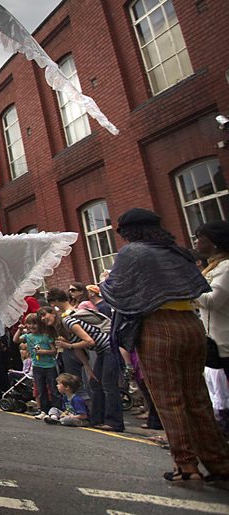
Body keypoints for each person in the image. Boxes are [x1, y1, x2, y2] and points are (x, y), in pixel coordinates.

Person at [100, 207, 229, 482]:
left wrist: (104, 285)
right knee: (197, 397)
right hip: (192, 327)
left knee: (169, 399)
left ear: (129, 231)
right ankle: (219, 463)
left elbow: (115, 291)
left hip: (158, 328)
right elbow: (199, 289)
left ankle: (186, 466)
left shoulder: (133, 253)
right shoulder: (177, 251)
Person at [46, 287, 122, 431]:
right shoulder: (65, 322)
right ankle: (97, 419)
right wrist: (88, 367)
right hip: (101, 351)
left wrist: (67, 345)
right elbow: (78, 348)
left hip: (108, 348)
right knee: (95, 383)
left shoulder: (68, 321)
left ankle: (115, 423)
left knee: (108, 386)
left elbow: (89, 341)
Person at [195, 221, 229, 384]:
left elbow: (212, 300)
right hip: (217, 344)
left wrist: (190, 285)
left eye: (200, 238)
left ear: (213, 242)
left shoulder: (226, 267)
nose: (196, 242)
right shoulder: (212, 268)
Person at [13, 312, 57, 418]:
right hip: (37, 365)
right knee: (41, 389)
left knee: (53, 389)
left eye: (34, 323)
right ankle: (43, 410)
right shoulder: (28, 336)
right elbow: (16, 340)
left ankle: (56, 410)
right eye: (29, 324)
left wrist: (44, 352)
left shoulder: (46, 336)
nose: (31, 326)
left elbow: (54, 351)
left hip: (49, 366)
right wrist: (19, 330)